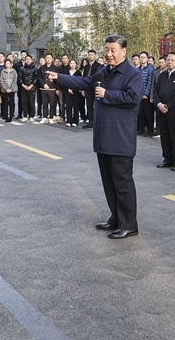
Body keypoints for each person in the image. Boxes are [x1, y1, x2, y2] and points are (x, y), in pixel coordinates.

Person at [47, 34, 143, 239]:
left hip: (120, 138)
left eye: (113, 50)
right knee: (109, 182)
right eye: (106, 50)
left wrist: (107, 94)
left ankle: (129, 224)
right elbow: (84, 82)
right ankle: (116, 218)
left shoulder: (132, 74)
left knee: (122, 183)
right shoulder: (104, 72)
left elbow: (133, 98)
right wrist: (60, 78)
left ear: (124, 51)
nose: (108, 54)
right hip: (103, 136)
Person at [153, 52, 175, 171]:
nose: (169, 62)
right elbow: (156, 91)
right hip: (161, 110)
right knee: (165, 136)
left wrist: (168, 106)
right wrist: (159, 104)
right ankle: (167, 158)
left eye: (172, 60)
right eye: (168, 60)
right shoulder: (162, 75)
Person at [63, 59, 83, 127]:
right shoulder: (66, 72)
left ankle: (75, 121)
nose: (72, 65)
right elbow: (64, 82)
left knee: (76, 106)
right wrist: (68, 89)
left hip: (76, 92)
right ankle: (69, 121)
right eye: (71, 63)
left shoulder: (78, 73)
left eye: (74, 63)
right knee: (68, 106)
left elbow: (80, 82)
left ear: (76, 64)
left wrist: (74, 89)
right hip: (67, 91)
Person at [18, 55, 38, 122]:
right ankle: (25, 115)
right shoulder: (22, 68)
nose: (28, 60)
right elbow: (20, 78)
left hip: (32, 88)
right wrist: (23, 85)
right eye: (26, 59)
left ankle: (31, 116)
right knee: (24, 102)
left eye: (29, 59)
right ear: (25, 60)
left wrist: (31, 85)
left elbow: (36, 78)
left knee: (31, 102)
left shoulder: (35, 68)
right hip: (24, 87)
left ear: (31, 60)